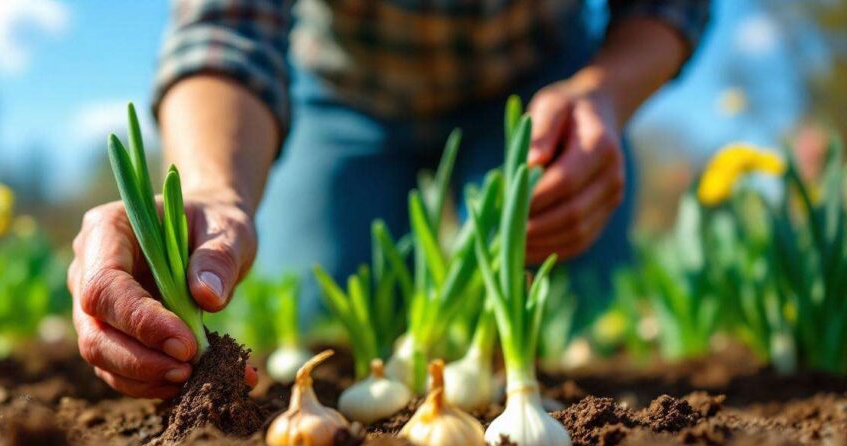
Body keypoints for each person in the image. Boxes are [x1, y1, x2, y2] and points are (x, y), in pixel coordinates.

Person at [68, 0, 710, 399]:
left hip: (539, 89)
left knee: (575, 311)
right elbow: (225, 27)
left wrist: (605, 93)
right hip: (343, 90)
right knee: (327, 315)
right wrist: (213, 191)